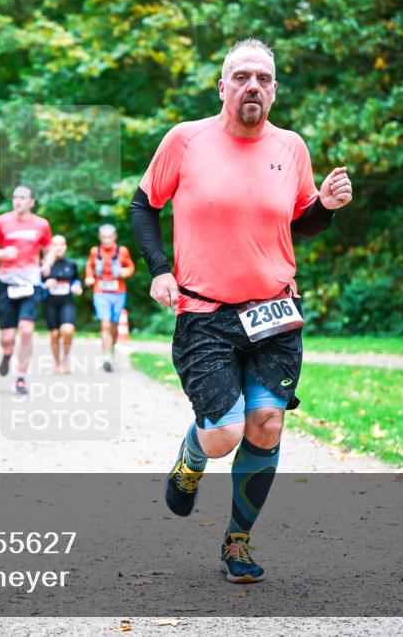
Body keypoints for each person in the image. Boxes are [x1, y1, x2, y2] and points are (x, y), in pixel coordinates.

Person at [129, 38, 353, 584]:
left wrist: (325, 206)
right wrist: (160, 269)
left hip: (274, 313)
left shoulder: (293, 147)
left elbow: (298, 223)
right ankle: (192, 453)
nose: (253, 86)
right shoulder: (185, 141)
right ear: (222, 85)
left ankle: (237, 540)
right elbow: (143, 205)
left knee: (266, 424)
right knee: (225, 432)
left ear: (274, 90)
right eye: (242, 76)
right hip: (205, 313)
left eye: (264, 79)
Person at [0, 185, 55, 395]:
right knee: (7, 337)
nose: (18, 201)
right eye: (15, 197)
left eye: (22, 198)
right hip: (7, 283)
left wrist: (47, 263)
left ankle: (21, 376)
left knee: (27, 331)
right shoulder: (1, 221)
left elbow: (49, 249)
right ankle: (6, 353)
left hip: (30, 283)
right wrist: (2, 254)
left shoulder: (41, 224)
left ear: (31, 202)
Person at [84, 224, 135, 372]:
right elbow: (89, 265)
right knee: (105, 324)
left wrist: (126, 271)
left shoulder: (122, 251)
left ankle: (110, 352)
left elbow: (131, 267)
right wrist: (89, 277)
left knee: (114, 326)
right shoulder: (95, 251)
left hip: (118, 292)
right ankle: (106, 356)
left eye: (109, 237)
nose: (106, 240)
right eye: (103, 237)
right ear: (100, 237)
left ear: (115, 237)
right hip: (101, 292)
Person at [42, 235, 83, 374]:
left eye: (61, 244)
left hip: (67, 302)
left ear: (65, 247)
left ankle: (66, 357)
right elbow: (36, 284)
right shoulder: (45, 266)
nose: (58, 247)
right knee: (54, 335)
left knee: (67, 330)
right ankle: (57, 362)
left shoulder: (71, 264)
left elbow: (76, 280)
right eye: (55, 244)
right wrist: (45, 285)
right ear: (50, 247)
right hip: (50, 303)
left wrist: (77, 287)